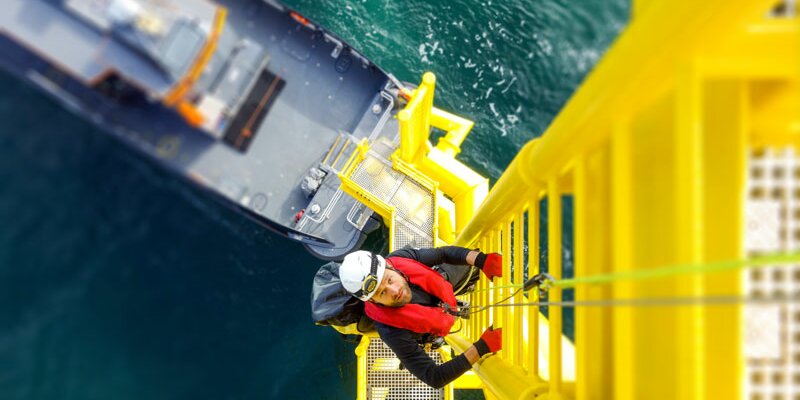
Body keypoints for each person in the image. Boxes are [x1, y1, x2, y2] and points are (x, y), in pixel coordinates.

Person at [339, 246, 503, 389]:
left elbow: (442, 254)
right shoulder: (390, 331)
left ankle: (464, 288)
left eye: (390, 280)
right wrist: (482, 347)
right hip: (424, 325)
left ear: (390, 266)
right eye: (382, 292)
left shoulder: (400, 258)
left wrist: (482, 260)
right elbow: (434, 377)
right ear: (373, 301)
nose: (394, 290)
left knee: (472, 256)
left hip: (438, 295)